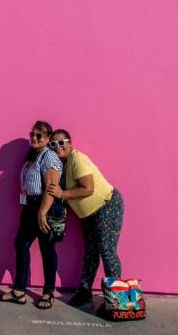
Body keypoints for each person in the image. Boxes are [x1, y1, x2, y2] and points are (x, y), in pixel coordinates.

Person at [45, 129, 124, 308]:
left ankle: (116, 298)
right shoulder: (62, 165)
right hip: (88, 215)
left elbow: (88, 188)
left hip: (107, 206)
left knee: (106, 250)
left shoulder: (76, 158)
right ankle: (84, 292)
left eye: (61, 142)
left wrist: (63, 193)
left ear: (70, 143)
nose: (57, 147)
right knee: (90, 254)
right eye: (53, 144)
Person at [0, 120, 63, 309]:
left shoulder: (48, 157)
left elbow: (51, 187)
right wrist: (26, 209)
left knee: (47, 249)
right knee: (21, 244)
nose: (34, 137)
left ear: (48, 138)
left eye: (39, 135)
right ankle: (19, 291)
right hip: (30, 207)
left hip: (44, 207)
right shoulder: (32, 156)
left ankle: (48, 293)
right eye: (32, 134)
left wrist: (42, 212)